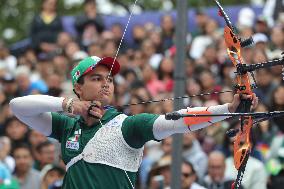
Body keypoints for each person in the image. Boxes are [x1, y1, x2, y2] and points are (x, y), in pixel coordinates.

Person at [9, 56, 258, 189]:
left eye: (109, 79)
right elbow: (18, 107)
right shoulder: (67, 127)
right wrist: (67, 105)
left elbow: (177, 121)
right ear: (78, 87)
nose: (106, 83)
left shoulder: (127, 126)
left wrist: (229, 109)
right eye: (96, 78)